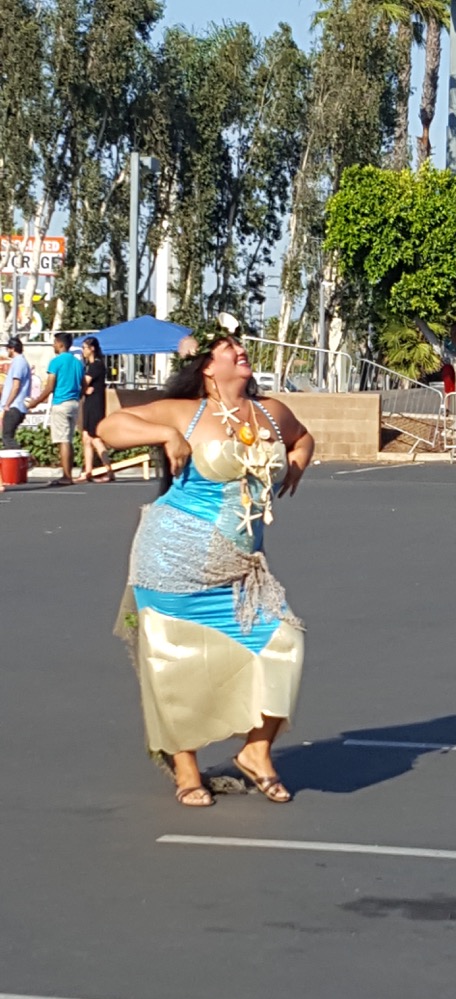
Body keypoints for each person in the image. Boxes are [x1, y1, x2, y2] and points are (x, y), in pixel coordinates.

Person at [97, 318, 314, 808]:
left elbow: (303, 437)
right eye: (227, 346)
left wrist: (297, 464)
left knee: (284, 641)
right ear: (207, 368)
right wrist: (164, 435)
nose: (239, 350)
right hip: (173, 557)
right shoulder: (186, 413)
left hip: (238, 566)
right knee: (175, 666)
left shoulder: (271, 412)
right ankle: (186, 768)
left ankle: (256, 752)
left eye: (239, 344)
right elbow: (109, 427)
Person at [26, 332, 84, 486]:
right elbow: (83, 385)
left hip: (61, 403)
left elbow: (50, 386)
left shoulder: (56, 362)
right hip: (74, 402)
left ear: (60, 344)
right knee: (68, 440)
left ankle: (66, 476)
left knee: (62, 440)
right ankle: (68, 473)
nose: (53, 345)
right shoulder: (78, 363)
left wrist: (35, 402)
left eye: (55, 342)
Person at [80, 337, 114, 483]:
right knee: (86, 438)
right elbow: (84, 385)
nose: (83, 351)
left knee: (95, 438)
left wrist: (83, 389)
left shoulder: (97, 365)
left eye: (85, 348)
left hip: (95, 404)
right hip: (88, 403)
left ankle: (109, 471)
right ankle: (88, 471)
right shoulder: (88, 365)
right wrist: (84, 390)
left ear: (92, 348)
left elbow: (84, 382)